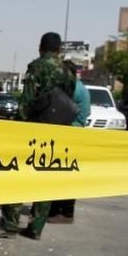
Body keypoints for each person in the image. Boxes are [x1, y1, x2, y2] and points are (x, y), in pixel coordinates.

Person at [0, 32, 76, 241]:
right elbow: (69, 102)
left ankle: (9, 225)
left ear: (40, 47)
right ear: (59, 49)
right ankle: (35, 228)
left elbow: (27, 100)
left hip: (33, 131)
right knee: (45, 178)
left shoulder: (37, 66)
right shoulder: (68, 72)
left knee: (13, 174)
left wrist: (19, 127)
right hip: (56, 132)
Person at [48, 60, 90, 224]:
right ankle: (60, 210)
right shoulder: (82, 88)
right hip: (75, 134)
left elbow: (59, 108)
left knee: (63, 175)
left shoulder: (73, 89)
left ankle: (65, 212)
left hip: (70, 134)